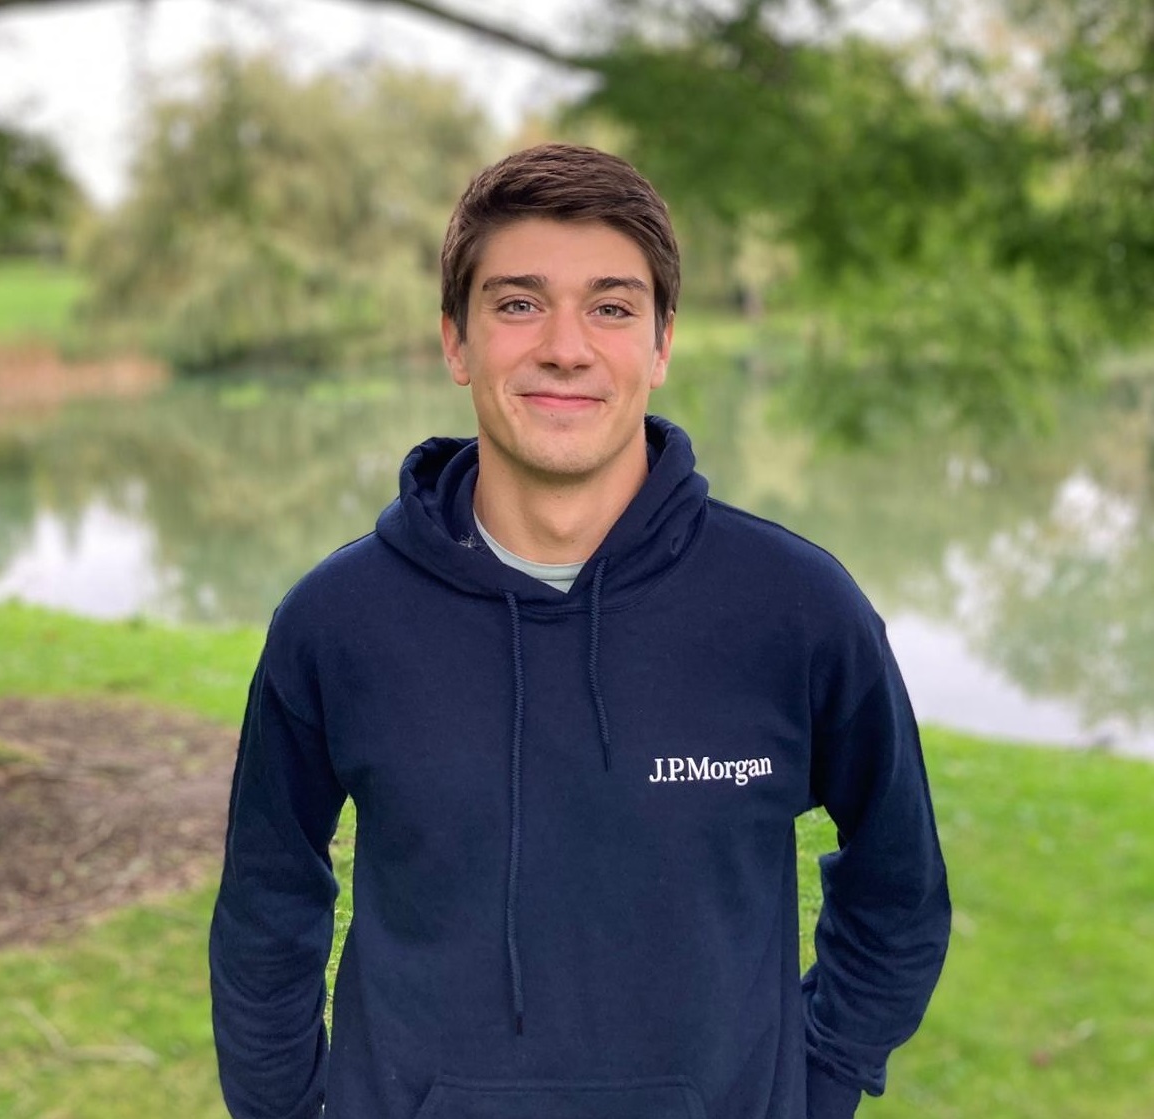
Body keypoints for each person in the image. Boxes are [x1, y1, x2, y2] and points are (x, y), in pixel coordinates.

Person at [209, 142, 950, 1119]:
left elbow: (897, 891)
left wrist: (814, 1085)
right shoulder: (336, 621)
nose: (564, 346)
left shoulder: (796, 609)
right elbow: (267, 903)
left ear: (659, 343)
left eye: (610, 306)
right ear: (454, 342)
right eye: (517, 304)